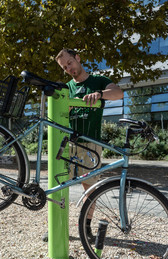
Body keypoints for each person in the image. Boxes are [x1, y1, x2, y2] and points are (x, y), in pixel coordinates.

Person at [42, 48, 123, 242]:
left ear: (78, 58)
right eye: (64, 67)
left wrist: (100, 94)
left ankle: (85, 227)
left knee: (91, 188)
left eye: (70, 63)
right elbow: (54, 114)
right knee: (58, 185)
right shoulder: (65, 87)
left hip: (91, 143)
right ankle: (56, 228)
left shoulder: (97, 80)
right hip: (67, 144)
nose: (68, 68)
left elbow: (118, 93)